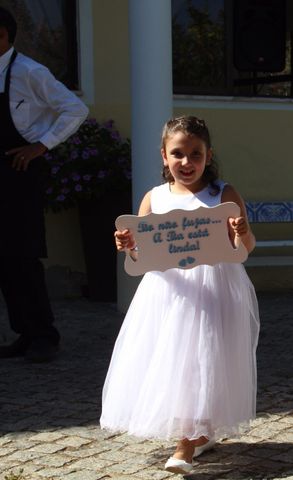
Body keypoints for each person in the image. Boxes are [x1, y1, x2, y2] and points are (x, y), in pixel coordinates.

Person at [100, 116, 260, 475]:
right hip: (168, 293)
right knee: (175, 361)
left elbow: (245, 249)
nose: (187, 163)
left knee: (203, 360)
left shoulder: (223, 195)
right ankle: (199, 432)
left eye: (195, 154)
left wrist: (242, 231)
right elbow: (142, 257)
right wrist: (128, 245)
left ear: (208, 155)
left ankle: (186, 445)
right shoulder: (154, 198)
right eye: (178, 154)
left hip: (213, 288)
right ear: (163, 156)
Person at [0, 7, 89, 363]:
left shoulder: (29, 72)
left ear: (5, 36)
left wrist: (41, 146)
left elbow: (75, 109)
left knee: (23, 254)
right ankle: (24, 332)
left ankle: (45, 335)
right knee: (3, 259)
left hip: (21, 172)